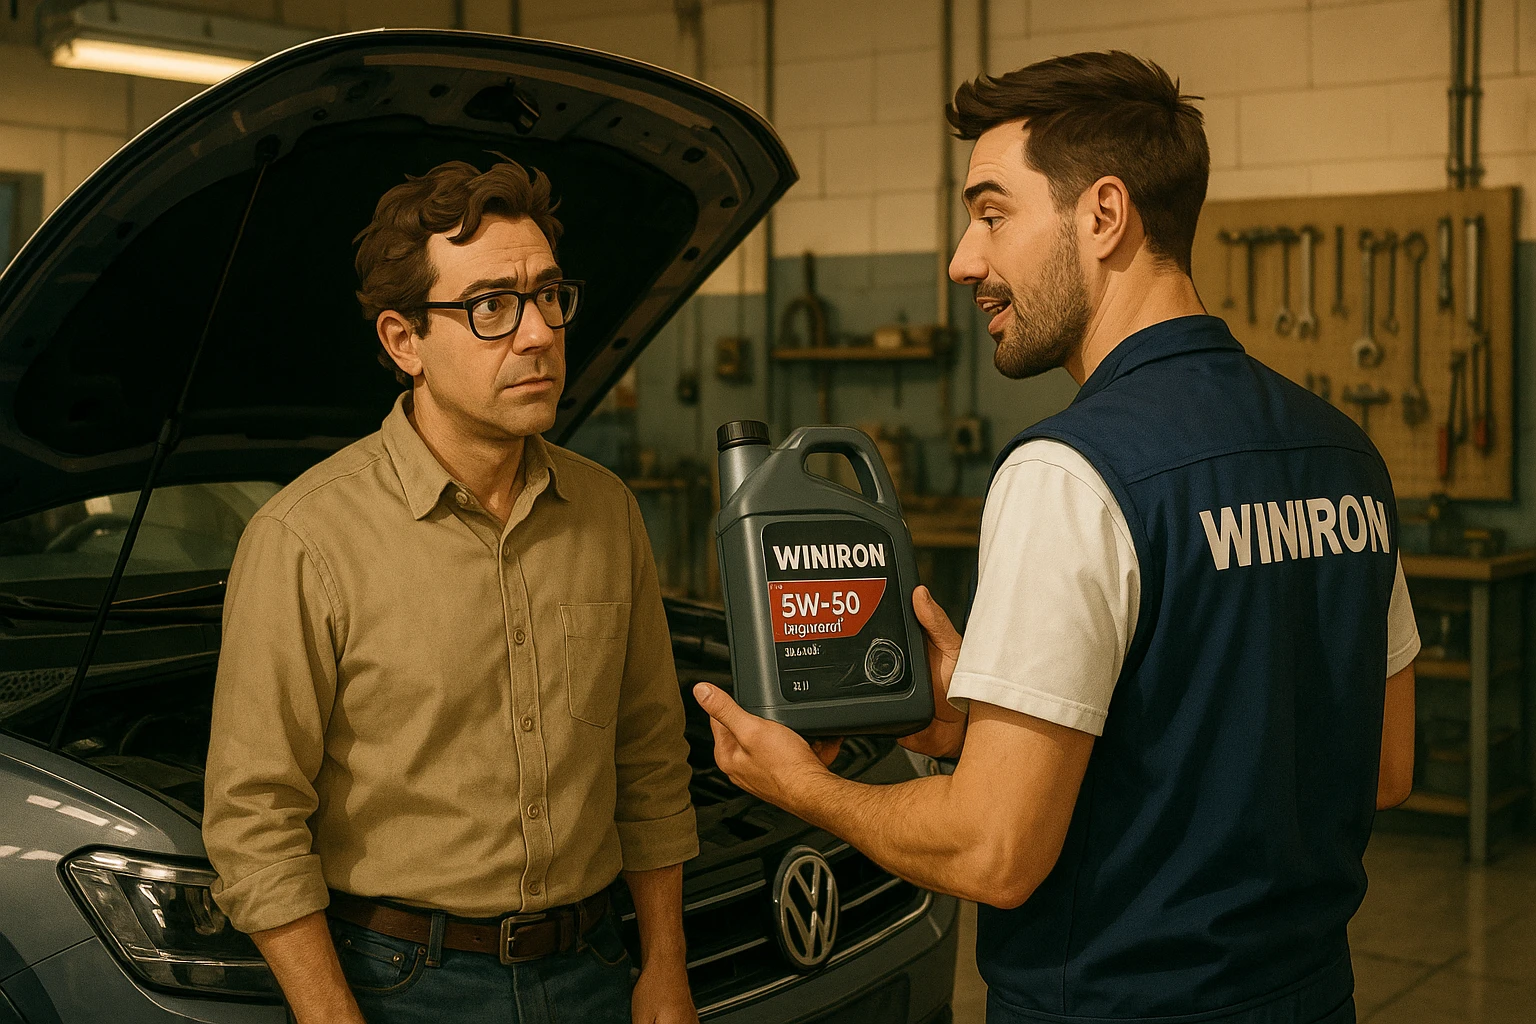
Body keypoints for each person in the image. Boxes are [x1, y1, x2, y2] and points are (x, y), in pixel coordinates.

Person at [694, 51, 1419, 1024]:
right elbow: (1381, 765)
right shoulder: (1343, 454)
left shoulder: (1067, 471)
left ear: (1104, 214)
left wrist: (804, 789)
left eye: (991, 213)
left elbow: (994, 852)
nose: (962, 258)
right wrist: (984, 729)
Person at [204, 160, 699, 1024]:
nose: (539, 333)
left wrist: (666, 965)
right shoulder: (304, 541)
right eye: (491, 307)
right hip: (402, 984)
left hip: (596, 967)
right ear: (404, 342)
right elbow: (255, 823)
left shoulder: (608, 513)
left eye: (548, 295)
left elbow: (649, 759)